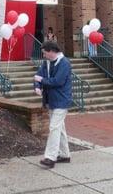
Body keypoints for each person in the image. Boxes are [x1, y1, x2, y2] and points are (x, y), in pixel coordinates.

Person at [34, 41, 72, 169]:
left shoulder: (64, 63)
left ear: (51, 51)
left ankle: (50, 157)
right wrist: (37, 86)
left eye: (45, 53)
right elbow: (38, 76)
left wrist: (42, 81)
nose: (44, 55)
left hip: (61, 100)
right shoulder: (46, 63)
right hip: (51, 100)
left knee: (54, 128)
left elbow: (58, 81)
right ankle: (65, 155)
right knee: (59, 129)